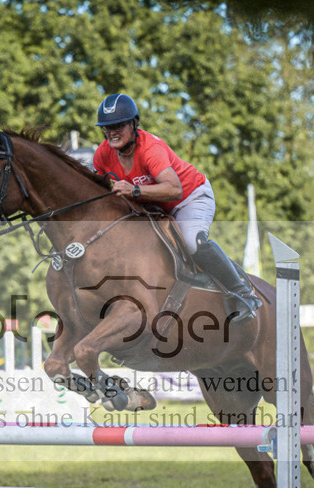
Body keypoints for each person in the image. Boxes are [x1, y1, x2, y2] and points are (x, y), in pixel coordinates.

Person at [92, 93, 260, 321]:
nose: (112, 131)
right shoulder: (102, 153)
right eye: (107, 126)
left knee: (193, 242)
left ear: (134, 124)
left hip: (189, 198)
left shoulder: (150, 149)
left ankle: (243, 293)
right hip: (153, 209)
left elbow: (174, 190)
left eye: (119, 125)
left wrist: (135, 191)